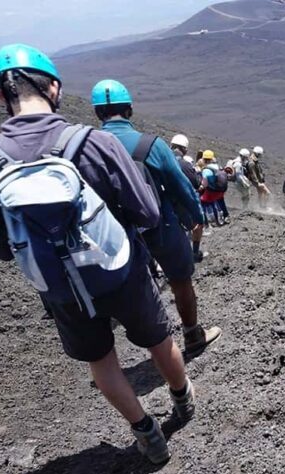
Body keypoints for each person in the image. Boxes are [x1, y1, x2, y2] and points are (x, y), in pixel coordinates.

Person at [0, 44, 193, 463]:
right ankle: (182, 400)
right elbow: (147, 212)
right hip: (120, 268)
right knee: (157, 339)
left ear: (1, 98)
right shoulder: (93, 143)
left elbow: (1, 249)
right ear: (55, 89)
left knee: (102, 361)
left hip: (59, 286)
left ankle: (146, 432)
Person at [92, 79, 222, 359]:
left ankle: (152, 345)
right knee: (180, 279)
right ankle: (192, 335)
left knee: (133, 287)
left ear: (97, 113)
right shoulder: (151, 145)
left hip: (115, 235)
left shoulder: (88, 148)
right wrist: (196, 217)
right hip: (159, 227)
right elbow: (181, 187)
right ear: (129, 110)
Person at [169, 134, 206, 262]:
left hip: (160, 203)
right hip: (180, 204)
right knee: (198, 224)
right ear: (184, 149)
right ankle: (194, 253)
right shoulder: (184, 165)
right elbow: (196, 184)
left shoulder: (159, 160)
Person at [199, 150, 227, 226]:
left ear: (204, 159)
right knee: (216, 202)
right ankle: (221, 218)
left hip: (211, 192)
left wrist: (201, 187)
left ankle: (209, 221)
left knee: (202, 202)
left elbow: (205, 183)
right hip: (220, 191)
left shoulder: (206, 170)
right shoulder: (218, 167)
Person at [245, 146, 270, 210]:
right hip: (257, 181)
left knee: (260, 193)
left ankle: (260, 206)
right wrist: (257, 183)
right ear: (257, 154)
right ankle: (264, 207)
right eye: (260, 154)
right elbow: (253, 174)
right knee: (267, 193)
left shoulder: (254, 160)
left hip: (258, 180)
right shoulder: (252, 163)